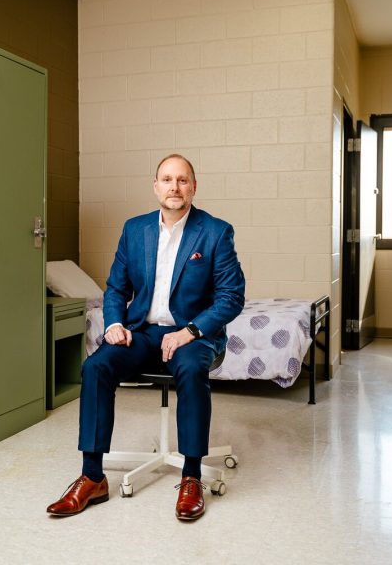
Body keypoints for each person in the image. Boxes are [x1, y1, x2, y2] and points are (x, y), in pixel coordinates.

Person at [47, 154, 245, 521]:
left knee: (189, 368)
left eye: (183, 180)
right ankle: (92, 477)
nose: (175, 187)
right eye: (167, 180)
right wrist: (113, 325)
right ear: (155, 186)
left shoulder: (216, 232)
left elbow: (231, 298)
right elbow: (115, 288)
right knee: (96, 366)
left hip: (194, 335)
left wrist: (189, 331)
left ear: (194, 187)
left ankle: (190, 477)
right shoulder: (135, 229)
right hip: (142, 332)